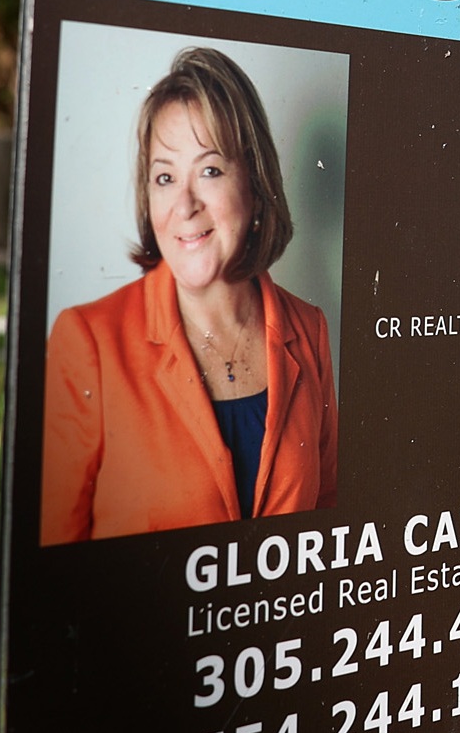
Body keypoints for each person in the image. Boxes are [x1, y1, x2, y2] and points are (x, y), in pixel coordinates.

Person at [41, 46, 337, 545]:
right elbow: (53, 569)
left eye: (210, 170)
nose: (184, 205)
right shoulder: (88, 343)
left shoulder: (310, 329)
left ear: (255, 183)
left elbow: (327, 532)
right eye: (164, 177)